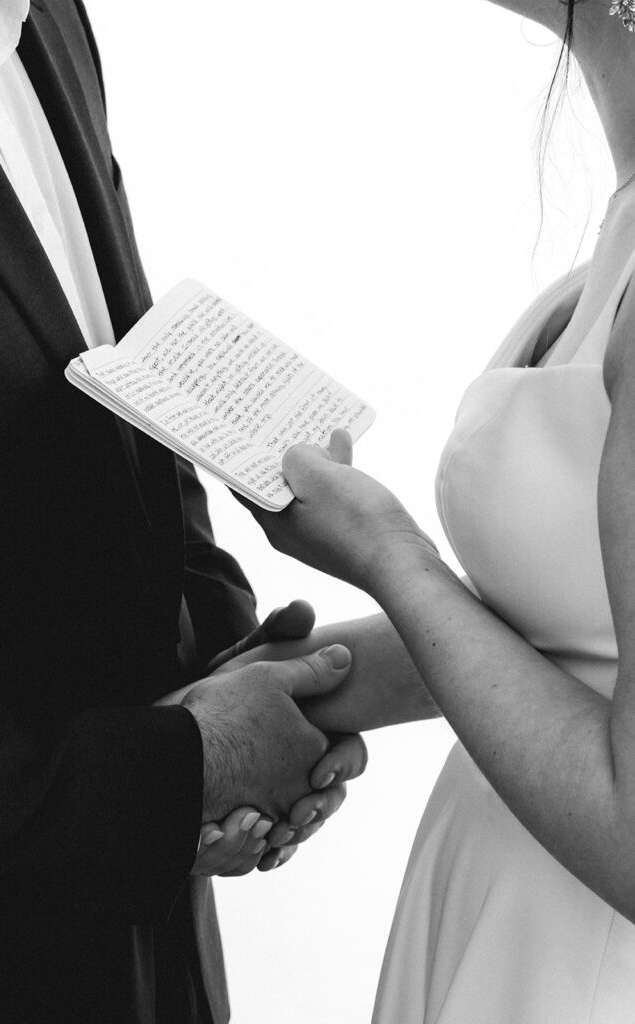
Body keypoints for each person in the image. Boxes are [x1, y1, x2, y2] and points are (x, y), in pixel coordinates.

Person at [0, 1, 368, 1021]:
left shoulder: (54, 23)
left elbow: (110, 376)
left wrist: (219, 655)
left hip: (148, 952)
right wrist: (173, 775)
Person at [227, 0, 635, 1018]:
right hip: (499, 897)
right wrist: (297, 692)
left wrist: (387, 550)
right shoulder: (610, 254)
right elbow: (569, 638)